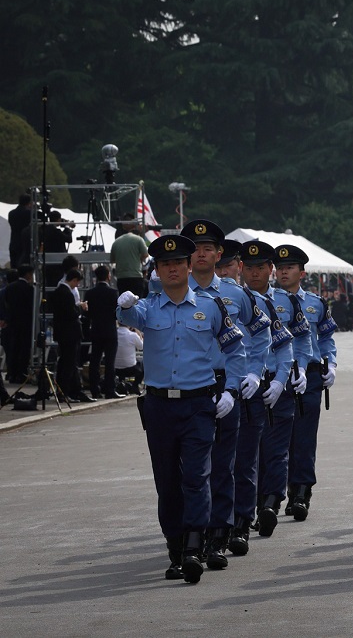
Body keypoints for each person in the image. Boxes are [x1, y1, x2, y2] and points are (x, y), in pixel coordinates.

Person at [116, 233, 248, 584]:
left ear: (189, 266)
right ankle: (175, 550)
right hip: (160, 406)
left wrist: (231, 390)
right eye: (165, 264)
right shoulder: (149, 308)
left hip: (198, 404)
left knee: (197, 476)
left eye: (178, 263)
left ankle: (194, 548)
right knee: (167, 482)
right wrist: (126, 303)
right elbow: (126, 314)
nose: (172, 269)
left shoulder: (210, 306)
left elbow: (236, 351)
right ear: (156, 270)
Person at [180, 219, 259, 569]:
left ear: (218, 254)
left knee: (223, 464)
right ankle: (189, 534)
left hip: (226, 385)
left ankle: (218, 535)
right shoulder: (169, 289)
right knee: (192, 468)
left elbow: (261, 334)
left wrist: (253, 373)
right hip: (187, 388)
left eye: (208, 248)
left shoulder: (235, 294)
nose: (200, 253)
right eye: (195, 248)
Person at [227, 240, 296, 558]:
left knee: (274, 451)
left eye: (261, 267)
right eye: (248, 267)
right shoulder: (226, 301)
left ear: (271, 269)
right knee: (243, 457)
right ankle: (239, 515)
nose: (254, 273)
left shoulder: (276, 303)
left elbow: (288, 343)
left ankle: (269, 502)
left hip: (268, 385)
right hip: (232, 388)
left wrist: (283, 379)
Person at [273, 245, 338, 522]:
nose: (284, 271)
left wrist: (331, 363)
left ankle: (301, 492)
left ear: (302, 272)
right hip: (276, 376)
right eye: (280, 267)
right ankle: (274, 493)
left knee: (304, 435)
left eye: (290, 267)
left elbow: (326, 337)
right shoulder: (264, 302)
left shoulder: (316, 303)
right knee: (276, 439)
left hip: (309, 375)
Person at [48, 269, 90, 402]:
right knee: (69, 364)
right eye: (77, 282)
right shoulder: (67, 294)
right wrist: (80, 306)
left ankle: (62, 390)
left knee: (63, 363)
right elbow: (71, 313)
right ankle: (65, 392)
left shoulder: (57, 292)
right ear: (74, 280)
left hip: (61, 333)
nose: (77, 285)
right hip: (71, 333)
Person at [85, 266, 122, 399]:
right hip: (110, 330)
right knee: (110, 362)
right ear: (108, 276)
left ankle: (95, 389)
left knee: (95, 360)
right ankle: (109, 389)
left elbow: (87, 313)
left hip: (95, 329)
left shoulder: (89, 293)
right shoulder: (113, 292)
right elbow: (117, 313)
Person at [4, 264, 35, 383]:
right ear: (28, 274)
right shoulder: (29, 289)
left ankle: (12, 373)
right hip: (26, 323)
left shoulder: (10, 287)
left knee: (13, 348)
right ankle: (21, 374)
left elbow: (7, 303)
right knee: (24, 349)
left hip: (12, 322)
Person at [111, 214, 149, 296]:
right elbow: (145, 254)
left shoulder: (116, 241)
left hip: (121, 277)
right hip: (136, 275)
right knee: (138, 302)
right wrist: (138, 260)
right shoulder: (139, 239)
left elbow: (113, 260)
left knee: (124, 303)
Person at [114, 322, 144, 393]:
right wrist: (137, 332)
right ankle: (135, 385)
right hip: (130, 369)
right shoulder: (133, 335)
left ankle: (121, 384)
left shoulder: (114, 334)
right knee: (143, 361)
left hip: (115, 368)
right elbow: (141, 347)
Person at [7, 195, 34, 267]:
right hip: (25, 244)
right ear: (29, 203)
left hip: (14, 242)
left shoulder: (11, 213)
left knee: (14, 266)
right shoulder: (29, 213)